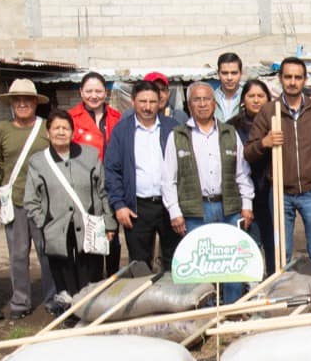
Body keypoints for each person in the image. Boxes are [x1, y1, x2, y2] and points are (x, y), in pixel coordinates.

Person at [243, 57, 311, 271]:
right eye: (288, 77)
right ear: (281, 79)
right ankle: (285, 295)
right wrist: (265, 142)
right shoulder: (269, 111)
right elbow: (249, 152)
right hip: (280, 192)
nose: (293, 82)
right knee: (282, 253)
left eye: (298, 77)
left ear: (305, 80)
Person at [163, 83, 255, 303]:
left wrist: (247, 205)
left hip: (229, 208)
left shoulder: (229, 133)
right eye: (197, 100)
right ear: (189, 105)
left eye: (206, 99)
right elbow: (168, 179)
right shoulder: (178, 136)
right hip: (196, 210)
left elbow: (242, 173)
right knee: (200, 267)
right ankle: (206, 312)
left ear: (214, 103)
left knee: (232, 263)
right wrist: (174, 212)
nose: (202, 104)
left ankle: (231, 310)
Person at [24, 109, 116, 314]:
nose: (60, 132)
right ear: (48, 132)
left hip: (89, 224)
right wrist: (43, 221)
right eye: (56, 128)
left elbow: (103, 191)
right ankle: (69, 311)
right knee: (62, 271)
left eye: (65, 128)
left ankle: (89, 310)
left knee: (89, 270)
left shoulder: (90, 155)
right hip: (56, 226)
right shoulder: (38, 161)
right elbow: (30, 199)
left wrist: (109, 222)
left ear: (73, 132)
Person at [0, 79, 54, 319]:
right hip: (15, 201)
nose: (22, 104)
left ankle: (52, 298)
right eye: (17, 100)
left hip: (44, 202)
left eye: (27, 99)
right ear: (11, 103)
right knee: (17, 255)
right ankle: (20, 301)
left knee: (47, 253)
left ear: (36, 103)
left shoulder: (46, 128)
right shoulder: (2, 130)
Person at [105, 79, 180, 275]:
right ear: (133, 101)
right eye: (142, 101)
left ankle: (174, 302)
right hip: (137, 208)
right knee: (140, 264)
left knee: (174, 259)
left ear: (160, 102)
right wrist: (119, 205)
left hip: (168, 205)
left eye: (152, 102)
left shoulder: (172, 128)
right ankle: (144, 303)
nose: (147, 107)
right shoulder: (122, 131)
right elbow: (112, 170)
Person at [70, 71, 123, 277]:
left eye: (99, 91)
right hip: (84, 188)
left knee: (112, 238)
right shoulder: (72, 119)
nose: (94, 95)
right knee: (89, 240)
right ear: (81, 92)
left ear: (106, 93)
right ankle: (90, 286)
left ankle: (112, 282)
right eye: (89, 91)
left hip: (111, 186)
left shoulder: (116, 118)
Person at [229, 79, 276, 274]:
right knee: (248, 242)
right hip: (243, 192)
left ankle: (275, 279)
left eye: (260, 96)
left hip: (270, 189)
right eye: (251, 96)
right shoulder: (232, 127)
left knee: (273, 241)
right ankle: (251, 284)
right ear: (243, 100)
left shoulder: (276, 123)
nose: (256, 100)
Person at [214, 52, 245, 123]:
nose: (229, 78)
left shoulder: (247, 98)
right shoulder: (209, 98)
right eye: (225, 73)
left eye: (234, 73)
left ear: (241, 73)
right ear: (218, 73)